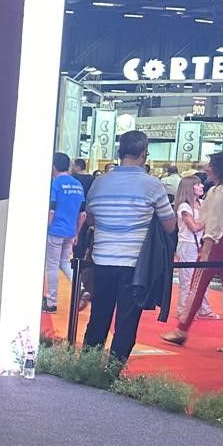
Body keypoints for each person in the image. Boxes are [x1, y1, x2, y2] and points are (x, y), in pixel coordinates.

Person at [82, 131, 176, 365]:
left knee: (98, 317)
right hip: (135, 265)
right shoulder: (152, 184)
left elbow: (91, 219)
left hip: (102, 260)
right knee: (126, 323)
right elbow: (169, 225)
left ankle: (87, 368)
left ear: (119, 152)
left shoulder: (100, 182)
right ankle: (112, 373)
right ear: (144, 153)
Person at [161, 152, 223, 353]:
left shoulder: (217, 192)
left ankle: (181, 329)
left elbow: (214, 222)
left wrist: (206, 247)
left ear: (219, 169)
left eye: (210, 165)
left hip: (218, 241)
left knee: (197, 285)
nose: (207, 168)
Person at [169, 175, 215, 322]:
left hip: (201, 244)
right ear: (190, 187)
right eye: (198, 184)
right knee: (187, 280)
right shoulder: (184, 206)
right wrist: (207, 221)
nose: (202, 186)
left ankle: (204, 309)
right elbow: (194, 227)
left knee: (203, 278)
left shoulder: (202, 203)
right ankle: (183, 310)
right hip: (187, 244)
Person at [45, 151, 86, 312]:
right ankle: (81, 287)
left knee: (52, 265)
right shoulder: (77, 185)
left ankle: (51, 302)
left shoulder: (55, 184)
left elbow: (52, 210)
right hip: (70, 231)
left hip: (55, 229)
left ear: (53, 166)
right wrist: (76, 233)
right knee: (64, 262)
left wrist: (45, 229)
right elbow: (82, 214)